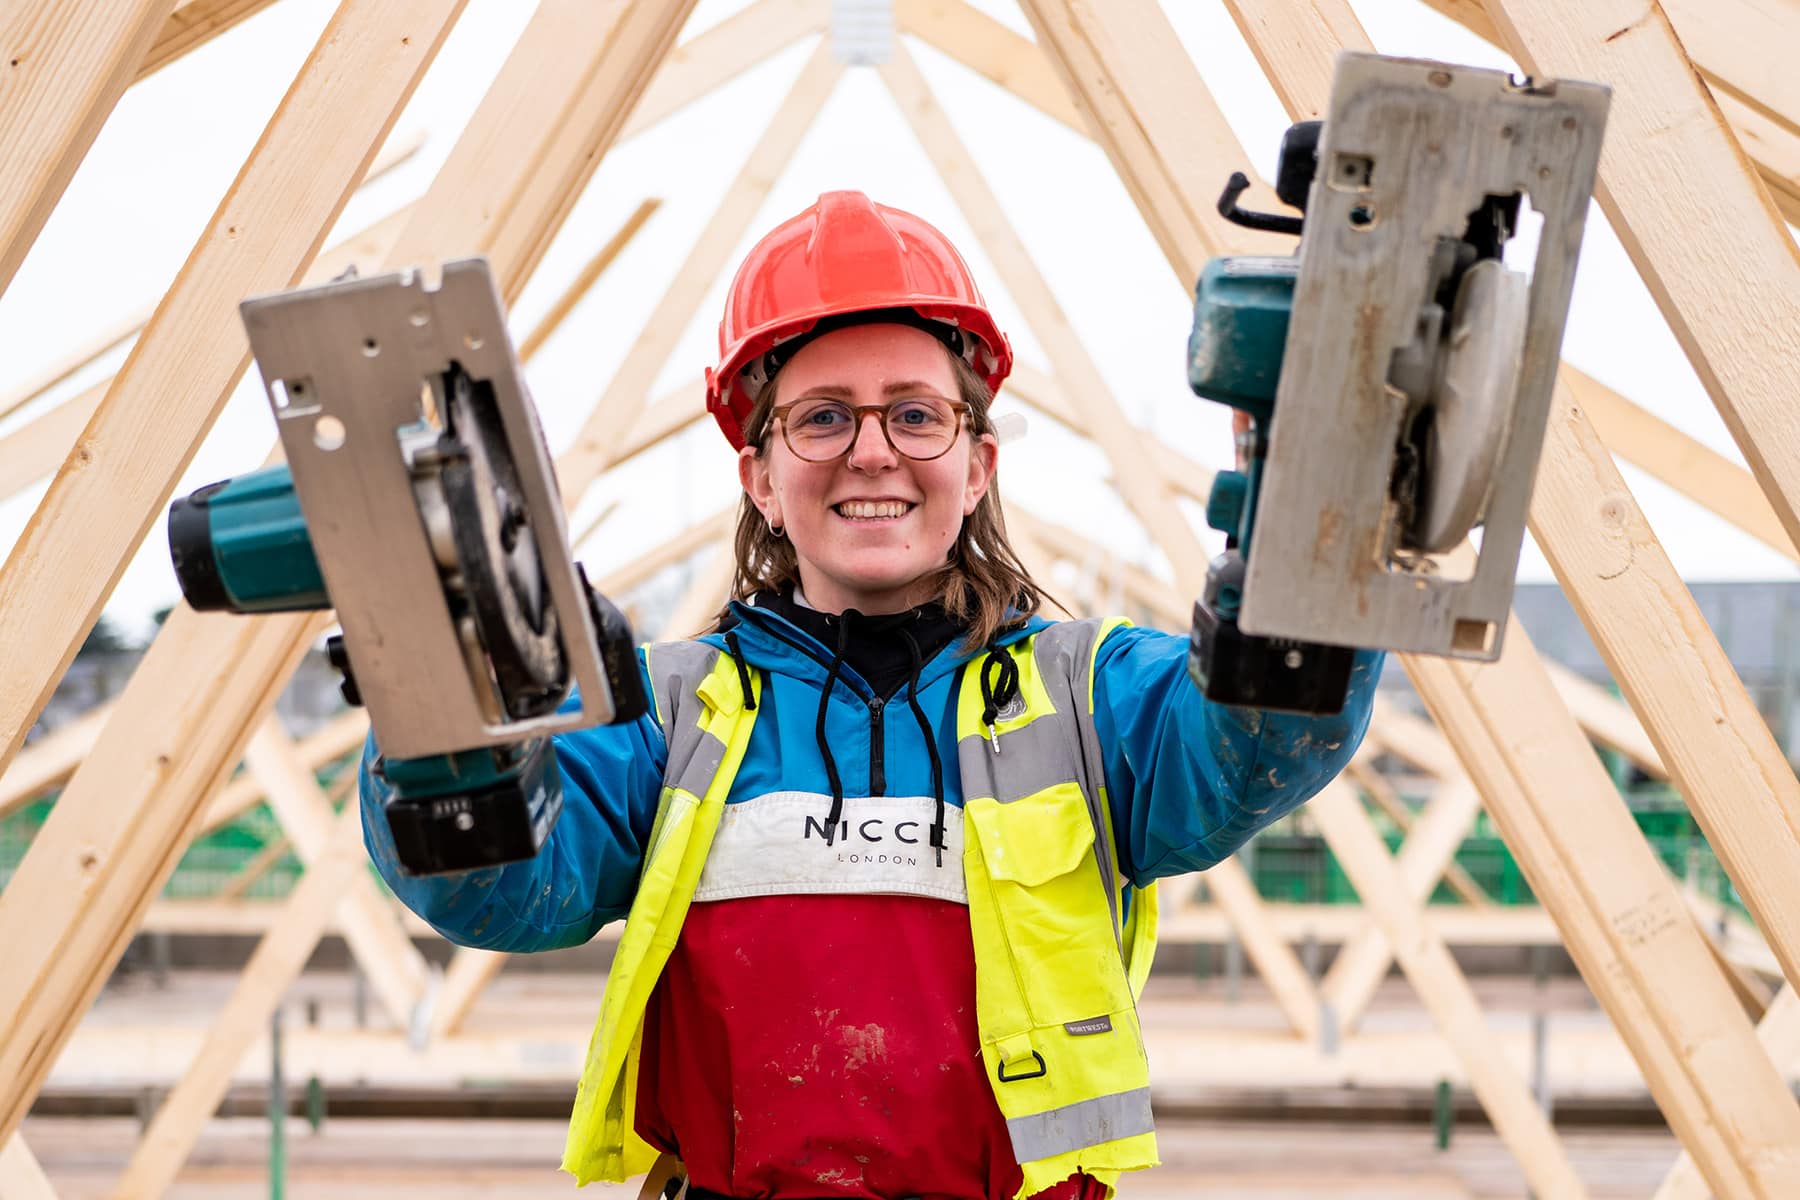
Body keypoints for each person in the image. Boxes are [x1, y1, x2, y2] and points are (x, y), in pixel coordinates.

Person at [361, 191, 1381, 1200]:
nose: (873, 450)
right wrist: (434, 704)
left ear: (976, 465)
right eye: (823, 419)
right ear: (759, 476)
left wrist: (1314, 537)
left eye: (914, 414)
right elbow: (494, 887)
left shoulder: (1091, 699)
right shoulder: (666, 714)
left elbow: (1256, 740)